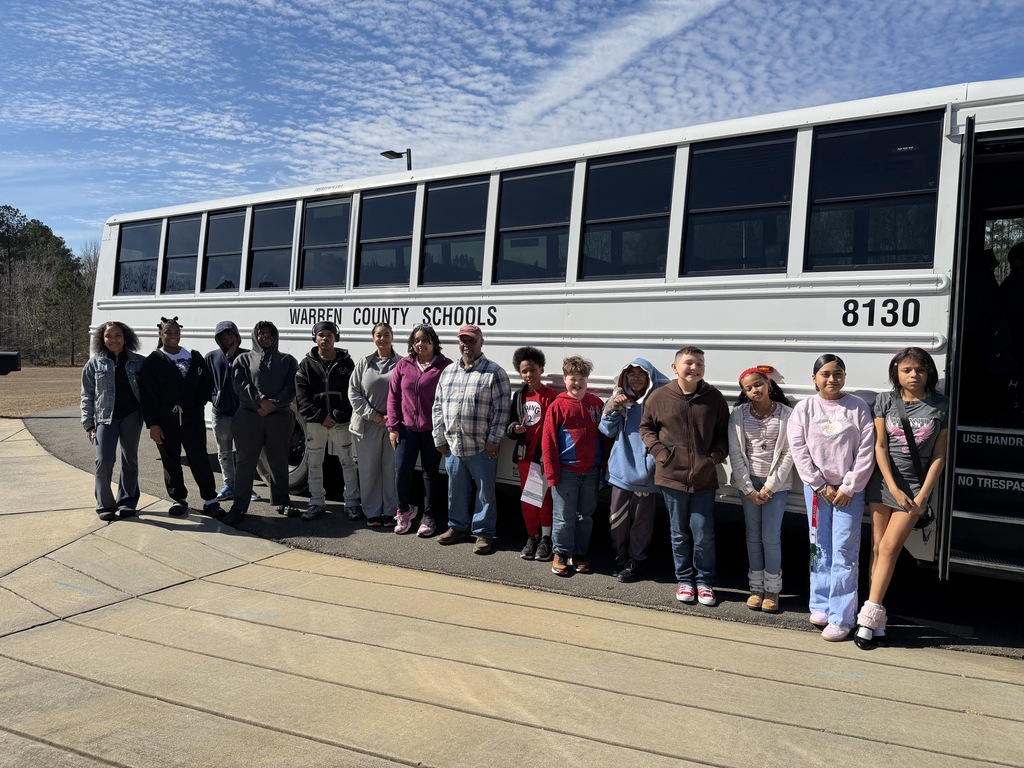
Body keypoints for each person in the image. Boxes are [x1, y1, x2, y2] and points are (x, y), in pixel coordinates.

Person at [856, 348, 949, 649]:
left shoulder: (941, 405)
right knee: (877, 548)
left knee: (890, 548)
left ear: (928, 372)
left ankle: (867, 619)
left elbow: (939, 455)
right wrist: (893, 488)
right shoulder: (885, 401)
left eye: (920, 370)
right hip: (883, 483)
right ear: (896, 372)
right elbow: (880, 447)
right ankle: (876, 617)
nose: (913, 375)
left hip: (914, 488)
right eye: (907, 370)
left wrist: (923, 495)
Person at [787, 353, 875, 641]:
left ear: (844, 377)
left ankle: (842, 617)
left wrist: (849, 487)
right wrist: (819, 484)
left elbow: (866, 451)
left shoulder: (857, 407)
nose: (832, 379)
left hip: (849, 492)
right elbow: (798, 449)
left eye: (838, 373)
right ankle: (821, 603)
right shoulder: (804, 409)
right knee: (819, 547)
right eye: (825, 374)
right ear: (814, 378)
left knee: (844, 552)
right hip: (817, 491)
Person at [639, 346, 729, 606]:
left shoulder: (714, 398)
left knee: (703, 533)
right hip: (671, 476)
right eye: (689, 363)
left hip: (704, 477)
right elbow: (646, 429)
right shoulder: (659, 396)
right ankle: (684, 580)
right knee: (679, 533)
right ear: (674, 367)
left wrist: (714, 457)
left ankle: (705, 581)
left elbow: (723, 434)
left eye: (700, 363)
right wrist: (660, 453)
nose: (695, 368)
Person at [432, 324, 511, 554]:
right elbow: (438, 406)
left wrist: (494, 439)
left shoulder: (494, 372)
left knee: (485, 493)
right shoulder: (448, 372)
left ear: (481, 342)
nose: (467, 345)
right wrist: (439, 436)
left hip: (482, 447)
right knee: (456, 490)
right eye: (463, 341)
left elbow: (502, 411)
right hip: (454, 445)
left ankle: (484, 533)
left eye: (472, 341)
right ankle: (457, 527)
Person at [139, 317, 223, 518]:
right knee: (171, 459)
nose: (173, 336)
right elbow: (147, 395)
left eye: (176, 332)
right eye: (168, 332)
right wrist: (153, 424)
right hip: (166, 419)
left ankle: (210, 500)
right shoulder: (153, 361)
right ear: (161, 334)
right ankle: (179, 499)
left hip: (192, 418)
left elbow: (207, 383)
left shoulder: (193, 356)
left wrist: (196, 403)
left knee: (199, 457)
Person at [728, 367, 794, 612]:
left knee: (771, 536)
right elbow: (735, 452)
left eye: (758, 384)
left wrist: (770, 487)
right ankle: (756, 587)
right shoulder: (738, 415)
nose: (754, 390)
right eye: (748, 388)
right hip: (749, 483)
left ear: (768, 384)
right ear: (744, 392)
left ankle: (773, 589)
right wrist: (747, 487)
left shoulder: (787, 414)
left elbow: (789, 453)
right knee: (753, 535)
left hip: (775, 485)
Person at [222, 321, 299, 525]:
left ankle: (282, 501)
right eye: (261, 333)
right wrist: (260, 401)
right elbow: (240, 385)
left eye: (270, 334)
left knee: (279, 460)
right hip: (249, 416)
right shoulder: (243, 359)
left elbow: (292, 386)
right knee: (245, 462)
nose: (266, 337)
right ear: (255, 336)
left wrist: (274, 404)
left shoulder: (288, 360)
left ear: (276, 336)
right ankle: (239, 506)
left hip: (279, 417)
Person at [599, 358, 669, 582]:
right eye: (631, 374)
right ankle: (620, 555)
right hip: (620, 471)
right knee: (617, 518)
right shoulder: (621, 399)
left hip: (645, 474)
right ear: (624, 378)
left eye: (641, 374)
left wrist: (651, 463)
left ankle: (636, 559)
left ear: (650, 378)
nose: (636, 379)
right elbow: (606, 431)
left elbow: (665, 436)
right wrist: (613, 407)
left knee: (642, 521)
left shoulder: (657, 403)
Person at [542, 355, 606, 576]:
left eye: (581, 379)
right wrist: (552, 473)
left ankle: (580, 553)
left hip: (591, 471)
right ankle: (561, 552)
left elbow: (605, 436)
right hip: (566, 472)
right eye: (572, 379)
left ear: (587, 380)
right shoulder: (557, 406)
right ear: (564, 379)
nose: (577, 383)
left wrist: (604, 465)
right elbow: (548, 441)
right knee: (563, 516)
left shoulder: (596, 404)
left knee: (585, 516)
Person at [387, 323, 452, 533]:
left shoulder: (445, 366)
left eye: (425, 339)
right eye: (416, 340)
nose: (420, 344)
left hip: (433, 430)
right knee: (401, 471)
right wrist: (393, 427)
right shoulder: (404, 364)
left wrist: (445, 430)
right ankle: (404, 510)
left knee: (430, 473)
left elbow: (450, 400)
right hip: (406, 429)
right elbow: (394, 396)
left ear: (434, 342)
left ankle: (429, 516)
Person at [295, 320, 361, 521]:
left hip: (340, 422)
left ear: (336, 338)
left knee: (347, 461)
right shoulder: (306, 364)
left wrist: (338, 414)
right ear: (315, 338)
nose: (325, 338)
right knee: (314, 462)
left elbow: (352, 391)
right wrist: (320, 416)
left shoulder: (346, 363)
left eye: (329, 335)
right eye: (321, 335)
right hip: (316, 422)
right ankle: (316, 501)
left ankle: (352, 503)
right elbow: (301, 396)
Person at [81, 321, 145, 521]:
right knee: (103, 460)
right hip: (104, 418)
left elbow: (149, 391)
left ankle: (127, 502)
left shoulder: (139, 362)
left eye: (118, 335)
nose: (113, 340)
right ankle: (105, 505)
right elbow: (87, 395)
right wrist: (88, 423)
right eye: (108, 336)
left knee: (129, 459)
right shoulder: (95, 363)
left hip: (132, 416)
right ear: (102, 339)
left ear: (125, 338)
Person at [506, 346, 558, 561]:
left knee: (544, 500)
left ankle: (546, 538)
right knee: (528, 500)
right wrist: (514, 429)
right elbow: (509, 424)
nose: (529, 374)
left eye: (533, 370)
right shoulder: (519, 396)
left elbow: (555, 430)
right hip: (524, 457)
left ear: (541, 369)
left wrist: (547, 457)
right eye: (524, 371)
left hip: (542, 458)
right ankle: (532, 536)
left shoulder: (550, 396)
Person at [349, 322, 400, 525]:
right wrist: (374, 416)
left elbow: (406, 393)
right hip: (367, 424)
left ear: (392, 337)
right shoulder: (364, 363)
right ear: (373, 338)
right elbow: (353, 392)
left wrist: (391, 418)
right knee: (369, 469)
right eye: (378, 335)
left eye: (386, 334)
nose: (382, 338)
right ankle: (372, 512)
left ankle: (390, 511)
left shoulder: (402, 363)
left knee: (391, 469)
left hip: (392, 425)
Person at [204, 320, 258, 503]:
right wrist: (214, 398)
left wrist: (233, 354)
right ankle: (229, 484)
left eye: (230, 334)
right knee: (224, 452)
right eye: (223, 335)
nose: (227, 338)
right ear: (217, 338)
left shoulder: (247, 355)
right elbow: (206, 383)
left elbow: (254, 381)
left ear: (237, 335)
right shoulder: (211, 357)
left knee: (244, 452)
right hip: (221, 412)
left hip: (244, 412)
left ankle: (245, 486)